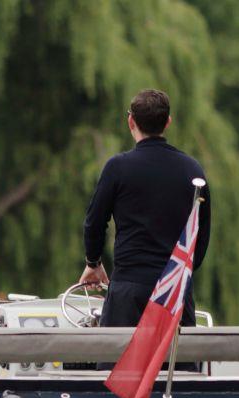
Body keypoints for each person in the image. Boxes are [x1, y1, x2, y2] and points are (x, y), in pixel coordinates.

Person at [78, 88, 210, 328]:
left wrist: (93, 263)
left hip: (129, 290)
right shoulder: (193, 170)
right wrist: (182, 273)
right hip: (175, 291)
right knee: (177, 364)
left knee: (119, 363)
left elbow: (94, 222)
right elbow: (201, 234)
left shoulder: (118, 168)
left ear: (131, 121)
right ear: (167, 122)